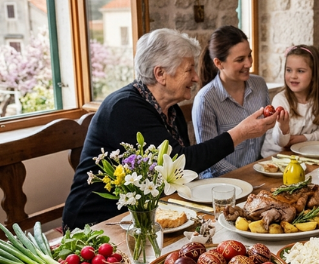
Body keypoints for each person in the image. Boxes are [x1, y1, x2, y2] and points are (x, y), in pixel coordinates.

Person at [62, 28, 277, 230]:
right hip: (97, 223)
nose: (195, 77)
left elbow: (184, 175)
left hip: (143, 216)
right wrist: (241, 132)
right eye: (188, 69)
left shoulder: (170, 110)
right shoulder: (125, 107)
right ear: (160, 74)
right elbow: (181, 162)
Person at [194, 26, 272, 178]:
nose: (249, 63)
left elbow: (268, 135)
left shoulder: (260, 85)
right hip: (222, 184)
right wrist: (245, 176)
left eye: (249, 55)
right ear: (219, 63)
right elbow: (210, 158)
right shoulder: (205, 100)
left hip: (259, 175)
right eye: (240, 59)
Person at [261, 45, 319, 157]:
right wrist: (283, 128)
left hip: (303, 155)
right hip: (275, 157)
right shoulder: (281, 100)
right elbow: (281, 143)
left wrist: (302, 138)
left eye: (300, 71)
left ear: (314, 74)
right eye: (289, 70)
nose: (293, 76)